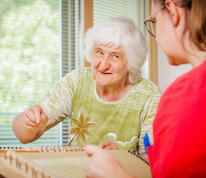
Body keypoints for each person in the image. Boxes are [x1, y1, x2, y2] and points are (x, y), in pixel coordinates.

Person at [85, 0, 206, 177]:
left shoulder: (185, 95)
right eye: (99, 52)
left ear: (173, 11)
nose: (104, 64)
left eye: (154, 22)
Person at [12, 17, 161, 153]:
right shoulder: (78, 81)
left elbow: (152, 163)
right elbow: (23, 136)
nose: (103, 65)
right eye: (99, 52)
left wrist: (122, 158)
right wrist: (31, 124)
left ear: (132, 61)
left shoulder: (149, 95)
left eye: (115, 56)